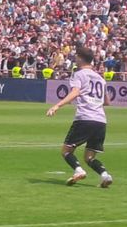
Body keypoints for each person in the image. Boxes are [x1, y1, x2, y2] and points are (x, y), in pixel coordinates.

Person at [46, 45, 113, 187]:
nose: (75, 59)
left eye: (77, 56)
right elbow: (107, 102)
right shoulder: (100, 78)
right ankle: (105, 175)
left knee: (66, 151)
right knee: (89, 157)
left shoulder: (79, 74)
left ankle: (78, 171)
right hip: (100, 121)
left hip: (85, 118)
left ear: (81, 58)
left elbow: (75, 92)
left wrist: (57, 105)